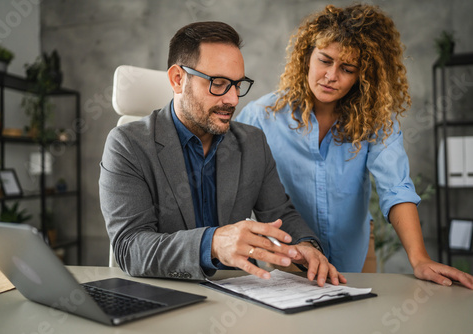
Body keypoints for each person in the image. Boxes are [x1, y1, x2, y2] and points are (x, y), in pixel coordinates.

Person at [236, 4, 473, 288]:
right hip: (289, 257)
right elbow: (234, 187)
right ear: (307, 57)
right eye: (324, 60)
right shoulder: (260, 116)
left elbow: (395, 187)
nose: (331, 75)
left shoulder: (375, 122)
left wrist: (420, 258)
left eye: (347, 69)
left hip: (358, 256)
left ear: (363, 76)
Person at [99, 21, 345, 286]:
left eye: (237, 84)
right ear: (178, 79)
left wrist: (305, 245)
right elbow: (130, 248)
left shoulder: (252, 142)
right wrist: (212, 244)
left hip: (236, 299)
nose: (233, 99)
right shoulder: (127, 144)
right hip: (163, 297)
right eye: (219, 83)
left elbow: (280, 213)